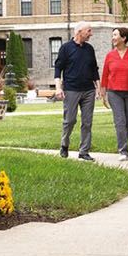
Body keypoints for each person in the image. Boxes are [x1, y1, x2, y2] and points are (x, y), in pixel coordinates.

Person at [54, 26, 99, 161]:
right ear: (79, 32)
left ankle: (84, 151)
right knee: (69, 120)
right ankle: (64, 145)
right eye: (89, 31)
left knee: (87, 122)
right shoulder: (66, 48)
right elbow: (58, 68)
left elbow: (94, 70)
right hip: (71, 89)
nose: (91, 34)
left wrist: (98, 88)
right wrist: (58, 88)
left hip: (88, 90)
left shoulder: (89, 49)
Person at [100, 26, 128, 161]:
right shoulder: (110, 55)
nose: (113, 38)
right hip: (114, 93)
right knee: (120, 121)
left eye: (115, 35)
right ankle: (123, 150)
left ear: (123, 38)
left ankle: (122, 140)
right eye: (112, 35)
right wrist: (103, 93)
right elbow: (105, 75)